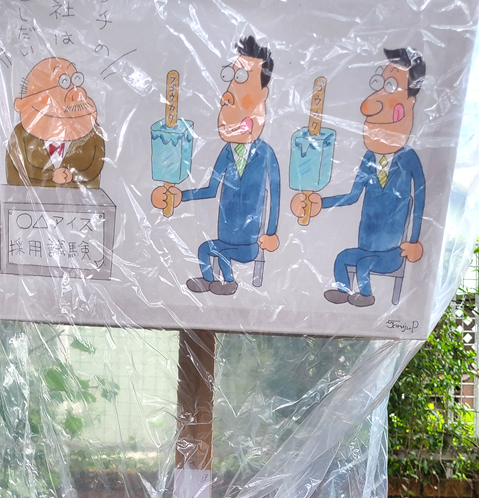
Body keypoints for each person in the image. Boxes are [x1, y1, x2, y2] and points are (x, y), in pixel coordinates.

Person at [291, 47, 426, 307]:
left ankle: (365, 295)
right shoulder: (368, 158)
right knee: (343, 258)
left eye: (390, 86)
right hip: (367, 244)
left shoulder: (409, 158)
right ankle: (343, 291)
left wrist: (413, 241)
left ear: (410, 102)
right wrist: (320, 203)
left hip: (392, 252)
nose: (368, 106)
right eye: (379, 84)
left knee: (364, 265)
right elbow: (353, 196)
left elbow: (419, 199)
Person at [151, 35, 281, 296]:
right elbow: (211, 189)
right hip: (225, 234)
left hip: (249, 242)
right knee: (205, 249)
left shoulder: (266, 154)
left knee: (221, 253)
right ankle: (210, 281)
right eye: (232, 77)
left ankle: (228, 282)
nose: (226, 97)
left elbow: (275, 195)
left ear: (262, 95)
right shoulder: (226, 153)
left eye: (241, 78)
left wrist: (271, 233)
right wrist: (180, 196)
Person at [6, 57, 105, 188]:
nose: (76, 94)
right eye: (64, 83)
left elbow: (94, 165)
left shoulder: (92, 134)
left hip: (81, 199)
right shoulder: (20, 134)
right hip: (27, 197)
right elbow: (18, 166)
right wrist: (51, 175)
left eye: (76, 80)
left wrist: (72, 175)